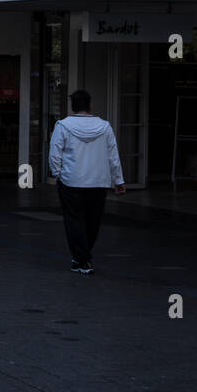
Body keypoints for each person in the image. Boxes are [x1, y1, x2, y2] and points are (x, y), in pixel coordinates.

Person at [49, 90, 126, 275]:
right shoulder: (105, 127)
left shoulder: (63, 126)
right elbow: (112, 155)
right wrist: (118, 180)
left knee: (74, 221)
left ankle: (81, 259)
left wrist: (57, 173)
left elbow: (54, 153)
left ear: (73, 106)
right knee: (93, 221)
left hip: (71, 181)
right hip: (98, 182)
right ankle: (82, 258)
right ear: (90, 106)